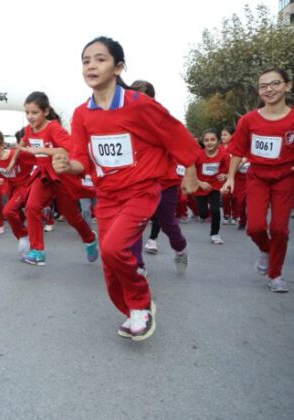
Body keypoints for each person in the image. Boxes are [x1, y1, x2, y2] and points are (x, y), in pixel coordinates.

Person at [52, 36, 200, 341]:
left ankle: (141, 303)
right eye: (85, 60)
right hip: (107, 195)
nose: (91, 65)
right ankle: (135, 309)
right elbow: (82, 160)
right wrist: (68, 165)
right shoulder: (82, 114)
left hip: (141, 191)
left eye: (100, 59)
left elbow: (179, 138)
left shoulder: (139, 105)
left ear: (118, 67)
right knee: (109, 262)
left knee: (113, 248)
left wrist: (191, 174)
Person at [222, 66, 293, 293]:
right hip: (257, 177)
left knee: (280, 229)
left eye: (275, 84)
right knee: (255, 227)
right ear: (259, 92)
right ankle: (266, 250)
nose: (269, 89)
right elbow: (237, 151)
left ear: (287, 86)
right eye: (263, 86)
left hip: (285, 178)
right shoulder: (248, 120)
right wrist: (230, 178)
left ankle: (275, 274)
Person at [13, 91, 98, 266]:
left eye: (34, 112)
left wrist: (42, 150)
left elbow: (69, 150)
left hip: (61, 175)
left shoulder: (54, 128)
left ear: (45, 111)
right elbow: (24, 143)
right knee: (31, 207)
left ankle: (90, 238)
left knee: (72, 216)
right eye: (27, 112)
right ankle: (37, 251)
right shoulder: (28, 130)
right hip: (43, 175)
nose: (30, 117)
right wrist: (13, 158)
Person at [123, 80, 190, 276]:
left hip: (164, 182)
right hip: (137, 182)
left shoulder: (163, 121)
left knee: (168, 222)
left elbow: (184, 147)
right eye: (132, 96)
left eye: (140, 97)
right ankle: (138, 265)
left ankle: (180, 248)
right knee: (135, 222)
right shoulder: (124, 123)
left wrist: (189, 175)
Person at [0, 130, 38, 257]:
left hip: (26, 185)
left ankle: (24, 237)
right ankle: (28, 237)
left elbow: (41, 160)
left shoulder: (18, 155)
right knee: (16, 215)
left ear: (2, 145)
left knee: (8, 211)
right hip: (11, 188)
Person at [194, 128, 229, 245]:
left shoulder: (223, 154)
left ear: (218, 141)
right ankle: (203, 215)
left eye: (213, 139)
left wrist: (225, 175)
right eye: (206, 140)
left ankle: (215, 234)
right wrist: (199, 182)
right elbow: (189, 173)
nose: (209, 142)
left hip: (214, 186)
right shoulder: (197, 155)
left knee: (216, 210)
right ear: (203, 142)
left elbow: (231, 170)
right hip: (200, 187)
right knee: (203, 213)